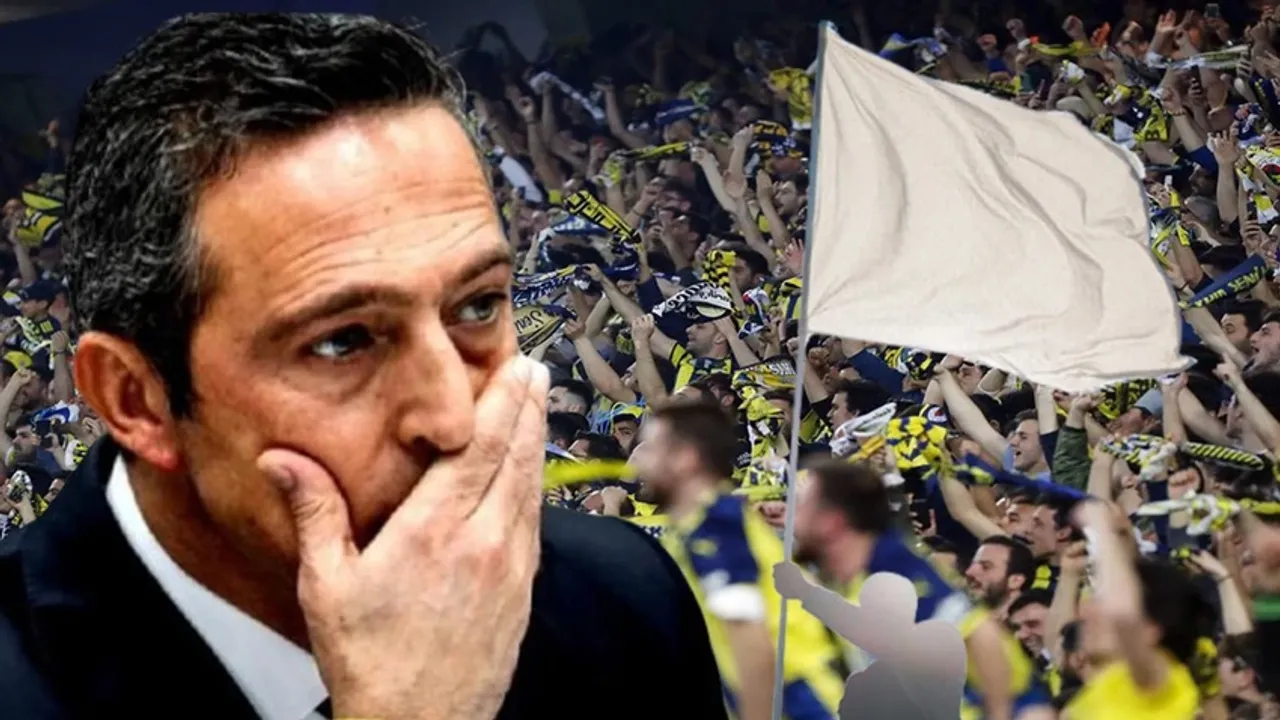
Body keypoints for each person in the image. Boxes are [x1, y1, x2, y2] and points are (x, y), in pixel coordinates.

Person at [0, 13, 728, 720]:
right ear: (137, 399)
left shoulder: (619, 597)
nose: (453, 418)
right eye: (343, 341)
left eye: (478, 305)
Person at [787, 459, 1052, 720]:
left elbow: (981, 635)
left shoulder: (892, 568)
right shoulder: (852, 576)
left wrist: (1000, 715)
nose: (791, 517)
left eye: (801, 505)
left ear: (832, 521)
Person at [630, 399, 844, 720]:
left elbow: (750, 638)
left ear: (686, 458)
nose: (638, 462)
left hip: (798, 701)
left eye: (651, 449)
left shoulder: (715, 526)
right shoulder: (699, 526)